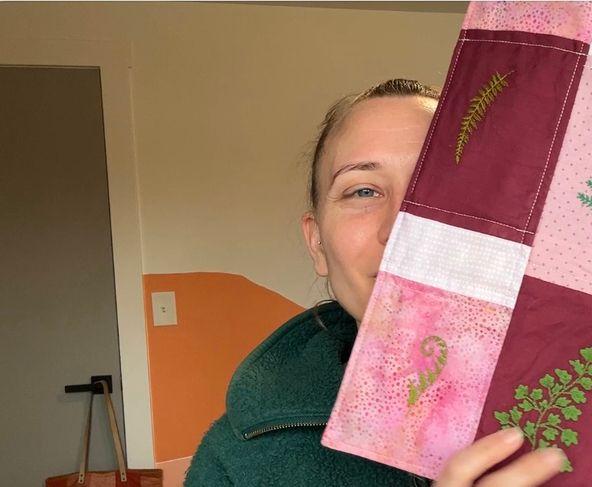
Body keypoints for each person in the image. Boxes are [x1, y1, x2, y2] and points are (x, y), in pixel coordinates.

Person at [185, 79, 565, 486]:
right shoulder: (232, 462)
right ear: (317, 243)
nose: (402, 228)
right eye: (363, 191)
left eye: (438, 187)